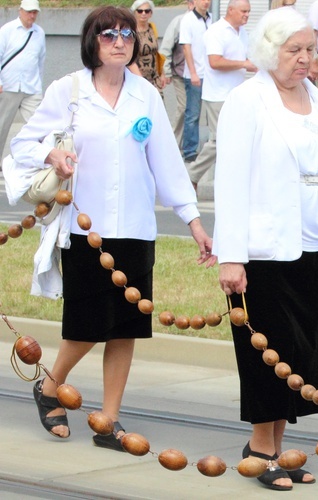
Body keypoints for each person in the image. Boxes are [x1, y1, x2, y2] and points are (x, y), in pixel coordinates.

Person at [10, 6, 214, 449]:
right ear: (92, 42)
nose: (120, 42)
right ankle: (50, 386)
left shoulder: (146, 96)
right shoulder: (69, 90)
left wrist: (194, 221)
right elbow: (23, 142)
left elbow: (167, 164)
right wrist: (53, 156)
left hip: (136, 227)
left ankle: (109, 419)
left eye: (126, 34)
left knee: (125, 327)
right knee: (85, 324)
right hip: (86, 227)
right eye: (109, 35)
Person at [213, 7, 318, 491]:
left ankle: (278, 445)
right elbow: (228, 181)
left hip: (307, 242)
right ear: (270, 51)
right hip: (261, 248)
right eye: (295, 50)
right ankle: (261, 448)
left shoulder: (315, 97)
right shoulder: (246, 101)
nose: (305, 59)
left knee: (297, 350)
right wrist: (230, 255)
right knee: (263, 348)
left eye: (310, 49)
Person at [187, 0, 255, 191]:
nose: (247, 15)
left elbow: (245, 59)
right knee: (218, 140)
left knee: (236, 138)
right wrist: (244, 64)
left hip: (236, 94)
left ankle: (234, 179)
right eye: (243, 11)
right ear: (230, 10)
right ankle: (192, 175)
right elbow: (215, 62)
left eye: (249, 12)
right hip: (217, 94)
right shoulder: (216, 32)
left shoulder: (242, 33)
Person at [0, 0, 45, 156]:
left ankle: (40, 160)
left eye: (34, 12)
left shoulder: (39, 33)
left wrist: (39, 86)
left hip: (31, 88)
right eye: (28, 12)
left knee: (39, 126)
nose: (32, 15)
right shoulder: (7, 30)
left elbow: (41, 61)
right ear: (20, 11)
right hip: (9, 86)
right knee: (1, 126)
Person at [159, 0, 194, 150]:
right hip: (180, 73)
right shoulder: (179, 22)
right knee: (184, 107)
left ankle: (188, 147)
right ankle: (172, 143)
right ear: (189, 4)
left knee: (193, 112)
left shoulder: (208, 21)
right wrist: (165, 71)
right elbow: (165, 48)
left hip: (198, 75)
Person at [179, 0, 212, 162]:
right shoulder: (188, 20)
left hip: (211, 75)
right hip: (195, 74)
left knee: (212, 112)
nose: (206, 2)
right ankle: (190, 150)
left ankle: (212, 147)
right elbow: (186, 47)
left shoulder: (212, 19)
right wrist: (193, 73)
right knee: (193, 114)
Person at [128, 0, 165, 93]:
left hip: (154, 77)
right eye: (140, 11)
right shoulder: (130, 32)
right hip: (137, 77)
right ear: (134, 12)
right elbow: (129, 59)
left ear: (151, 13)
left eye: (147, 11)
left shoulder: (152, 28)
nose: (143, 13)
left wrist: (162, 73)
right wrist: (141, 80)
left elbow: (156, 53)